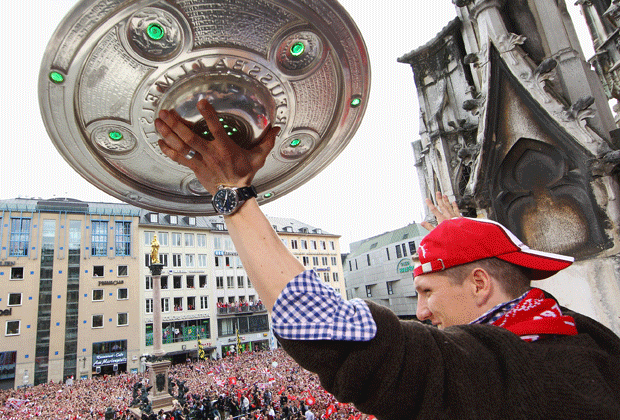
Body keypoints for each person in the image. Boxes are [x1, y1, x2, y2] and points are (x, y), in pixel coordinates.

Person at [155, 101, 620, 419]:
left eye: (426, 291)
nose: (420, 312)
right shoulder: (583, 338)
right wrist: (457, 233)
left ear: (480, 284)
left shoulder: (499, 371)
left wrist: (231, 195)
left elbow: (321, 325)